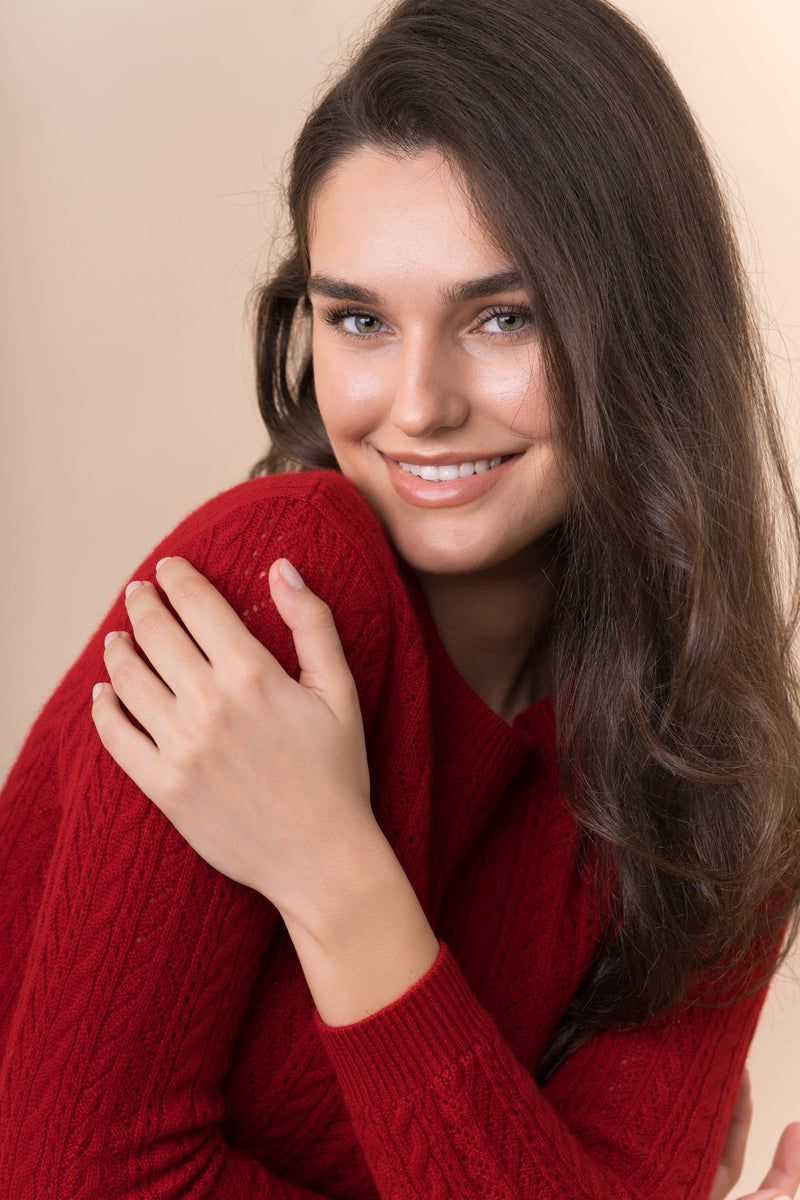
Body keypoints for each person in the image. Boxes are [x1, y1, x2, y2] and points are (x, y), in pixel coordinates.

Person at [1, 0, 798, 1195]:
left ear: (639, 329)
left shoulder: (716, 783)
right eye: (359, 318)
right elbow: (71, 1179)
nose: (415, 405)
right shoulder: (274, 594)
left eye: (501, 317)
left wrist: (335, 877)